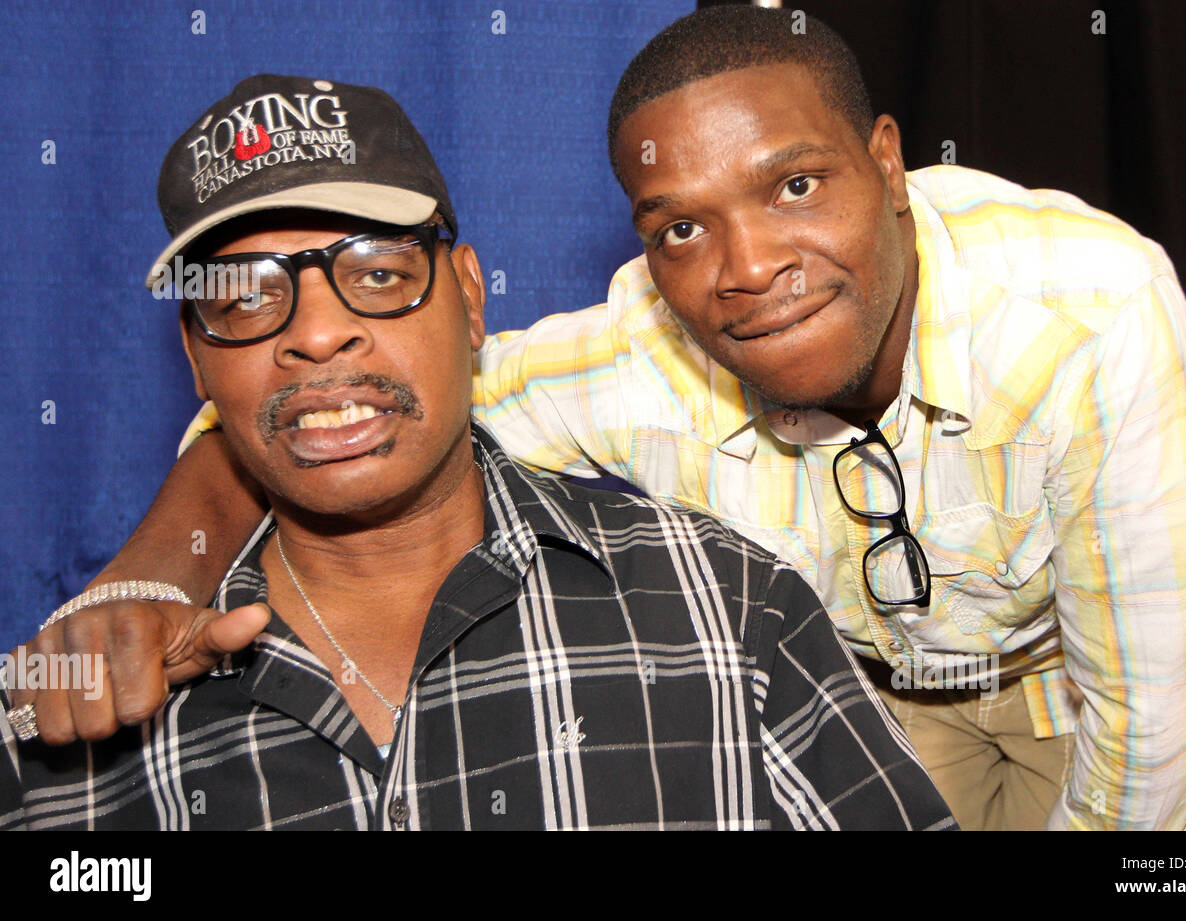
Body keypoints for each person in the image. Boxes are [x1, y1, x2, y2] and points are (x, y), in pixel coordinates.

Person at [9, 7, 1186, 830]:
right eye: (680, 227)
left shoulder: (1088, 312)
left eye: (797, 184)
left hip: (1077, 702)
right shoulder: (634, 358)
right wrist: (147, 581)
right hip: (869, 706)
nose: (748, 264)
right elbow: (327, 411)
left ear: (887, 160)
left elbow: (1167, 724)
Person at [0, 73, 955, 831]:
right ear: (196, 356)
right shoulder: (65, 723)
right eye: (245, 297)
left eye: (378, 273)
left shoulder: (727, 607)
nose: (319, 334)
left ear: (470, 296)